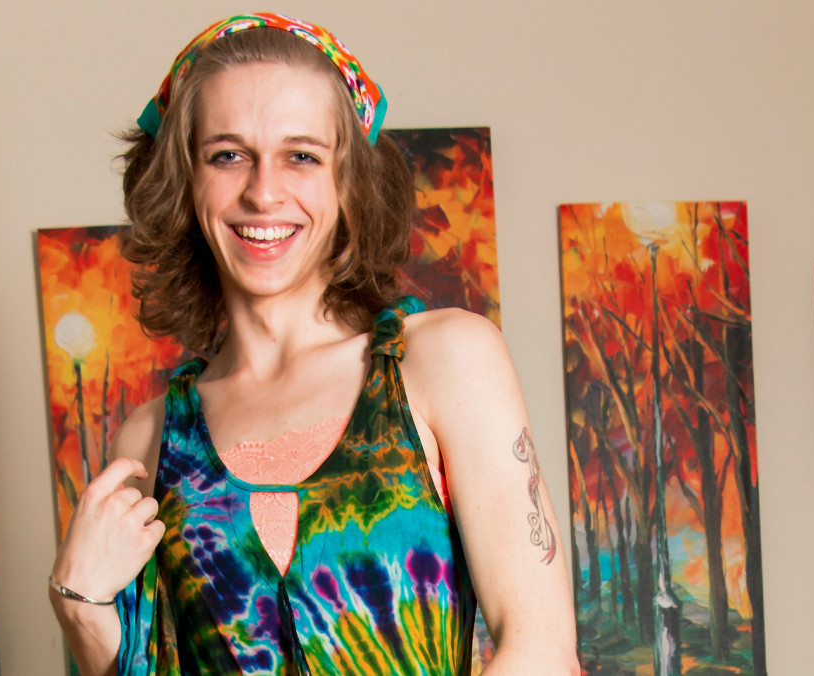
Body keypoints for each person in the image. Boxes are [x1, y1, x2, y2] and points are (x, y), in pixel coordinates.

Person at [48, 13, 579, 675]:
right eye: (227, 155)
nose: (263, 192)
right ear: (185, 180)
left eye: (301, 156)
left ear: (347, 180)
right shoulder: (151, 439)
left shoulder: (445, 361)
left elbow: (542, 650)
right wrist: (78, 606)